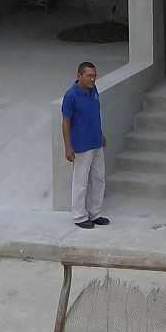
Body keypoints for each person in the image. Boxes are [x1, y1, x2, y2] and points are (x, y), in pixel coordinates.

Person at [61, 61, 108, 229]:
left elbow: (95, 114)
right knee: (80, 181)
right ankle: (80, 216)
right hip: (81, 145)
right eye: (89, 76)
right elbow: (66, 122)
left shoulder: (94, 91)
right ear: (79, 76)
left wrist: (101, 134)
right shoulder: (71, 95)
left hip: (96, 142)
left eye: (94, 76)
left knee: (99, 178)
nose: (92, 79)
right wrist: (68, 146)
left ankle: (95, 213)